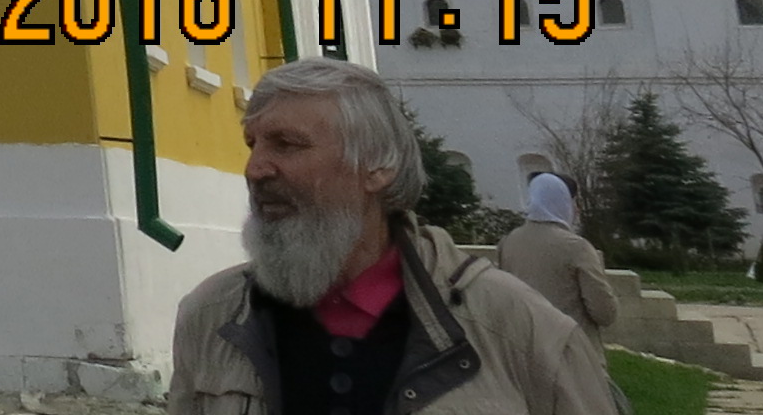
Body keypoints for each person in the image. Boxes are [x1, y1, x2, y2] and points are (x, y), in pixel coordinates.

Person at [171, 59, 624, 415]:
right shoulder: (211, 315)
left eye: (286, 144)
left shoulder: (519, 329)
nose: (255, 169)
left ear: (378, 167)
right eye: (253, 145)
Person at [494, 172, 620, 332]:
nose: (576, 209)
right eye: (573, 201)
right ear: (562, 202)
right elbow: (605, 313)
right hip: (569, 341)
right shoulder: (577, 247)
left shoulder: (508, 242)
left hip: (524, 339)